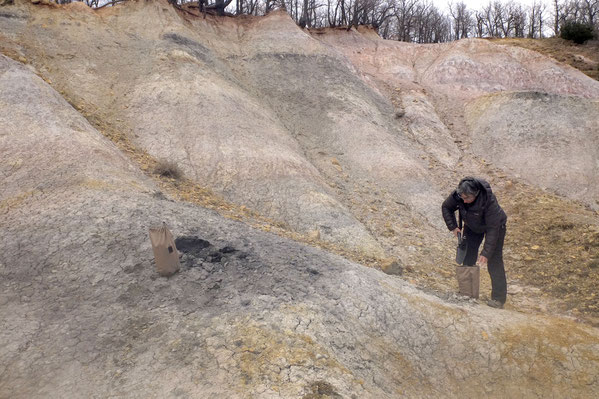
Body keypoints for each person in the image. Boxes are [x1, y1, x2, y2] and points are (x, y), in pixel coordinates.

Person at [441, 177, 508, 308]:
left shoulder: (489, 201)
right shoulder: (458, 195)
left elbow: (493, 230)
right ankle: (468, 293)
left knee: (494, 261)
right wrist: (453, 226)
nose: (464, 201)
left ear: (476, 194)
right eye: (462, 198)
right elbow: (446, 207)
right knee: (468, 255)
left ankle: (498, 299)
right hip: (472, 225)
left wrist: (486, 253)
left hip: (496, 226)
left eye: (467, 198)